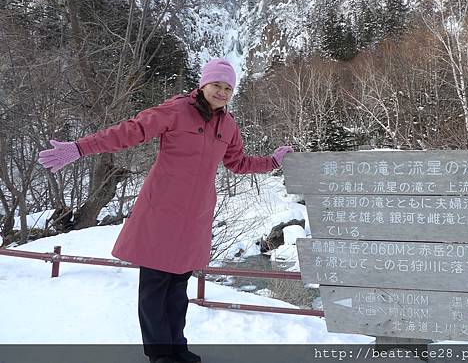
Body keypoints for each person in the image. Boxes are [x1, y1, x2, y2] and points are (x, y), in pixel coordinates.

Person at [38, 58, 294, 363]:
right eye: (217, 85)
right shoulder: (176, 110)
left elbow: (238, 162)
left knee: (177, 287)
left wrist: (273, 161)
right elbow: (129, 132)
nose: (222, 92)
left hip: (195, 217)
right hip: (161, 211)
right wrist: (79, 147)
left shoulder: (228, 125)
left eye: (228, 88)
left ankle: (177, 349)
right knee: (155, 287)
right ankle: (160, 355)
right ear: (203, 85)